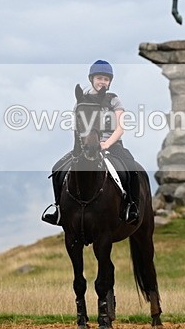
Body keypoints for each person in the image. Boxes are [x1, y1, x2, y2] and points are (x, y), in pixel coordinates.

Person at [41, 60, 141, 226]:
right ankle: (59, 209)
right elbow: (77, 129)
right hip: (86, 146)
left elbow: (120, 128)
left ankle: (131, 207)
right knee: (57, 169)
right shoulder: (81, 100)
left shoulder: (113, 100)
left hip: (112, 145)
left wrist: (106, 144)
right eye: (99, 78)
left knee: (132, 169)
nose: (103, 82)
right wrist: (79, 149)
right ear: (91, 79)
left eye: (106, 79)